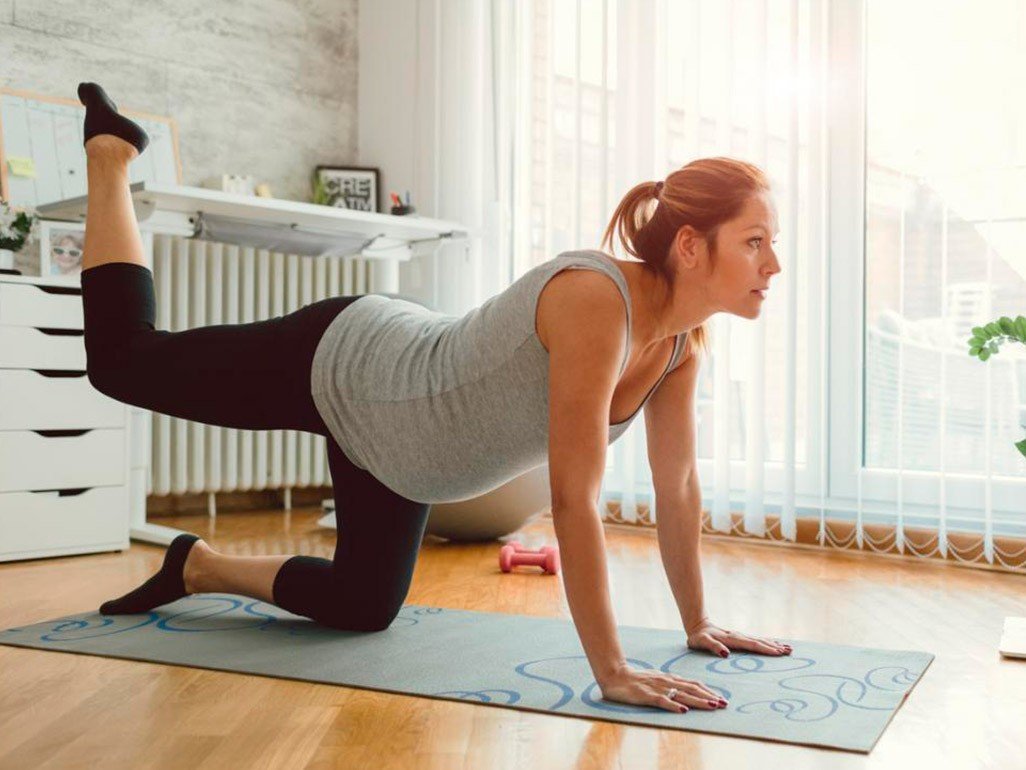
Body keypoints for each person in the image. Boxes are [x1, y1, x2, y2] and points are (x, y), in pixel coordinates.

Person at [77, 82, 789, 717]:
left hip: (405, 453)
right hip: (352, 366)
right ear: (692, 246)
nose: (773, 264)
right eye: (754, 241)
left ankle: (195, 565)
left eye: (773, 243)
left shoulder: (678, 347)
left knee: (362, 606)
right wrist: (610, 669)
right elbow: (575, 500)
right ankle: (111, 155)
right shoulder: (595, 299)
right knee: (123, 363)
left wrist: (698, 623)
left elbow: (680, 487)